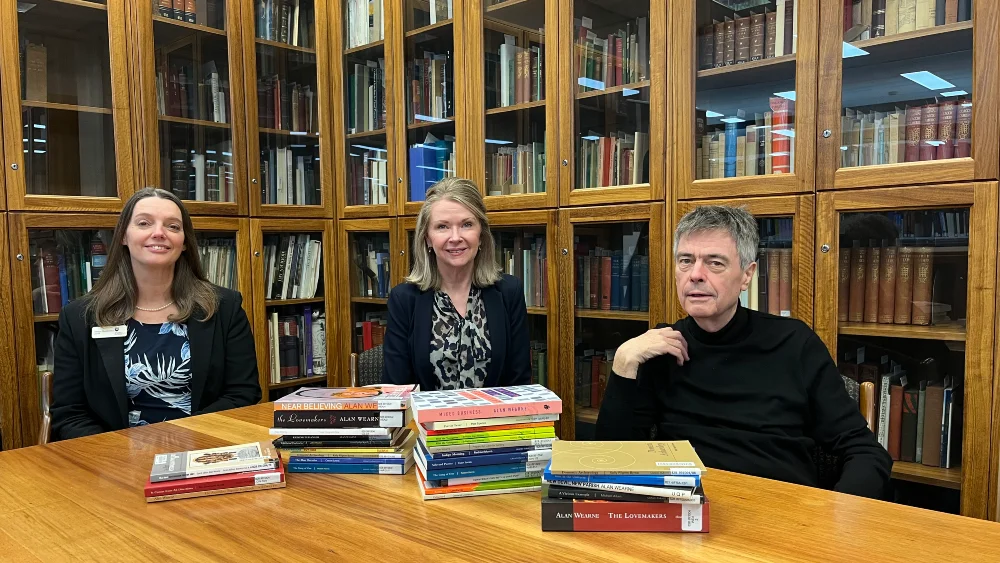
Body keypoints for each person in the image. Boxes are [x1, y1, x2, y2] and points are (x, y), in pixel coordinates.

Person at [595, 205, 892, 499]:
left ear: (747, 275)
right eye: (685, 261)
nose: (695, 275)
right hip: (689, 513)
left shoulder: (794, 343)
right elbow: (609, 463)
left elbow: (863, 450)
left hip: (783, 513)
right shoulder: (660, 347)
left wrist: (838, 520)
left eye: (715, 263)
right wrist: (624, 360)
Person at [51, 188, 261, 440]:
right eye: (144, 223)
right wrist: (117, 457)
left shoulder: (223, 307)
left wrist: (185, 444)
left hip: (204, 452)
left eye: (173, 226)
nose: (159, 233)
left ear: (184, 242)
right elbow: (70, 413)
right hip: (113, 464)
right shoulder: (80, 317)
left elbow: (242, 394)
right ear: (123, 237)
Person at [382, 177, 531, 390]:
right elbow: (397, 390)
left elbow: (519, 383)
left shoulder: (509, 292)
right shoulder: (404, 299)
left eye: (466, 225)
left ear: (481, 235)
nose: (455, 237)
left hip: (494, 421)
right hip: (427, 423)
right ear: (427, 238)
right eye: (442, 227)